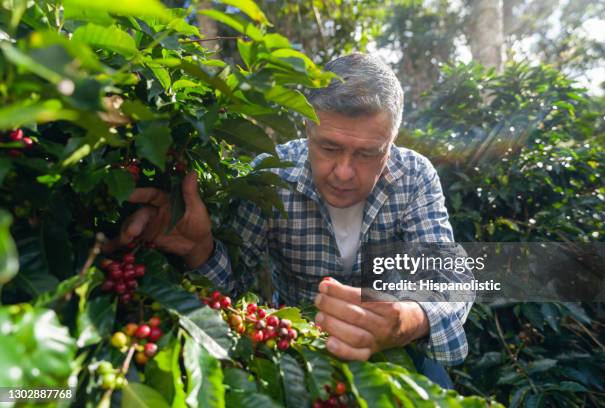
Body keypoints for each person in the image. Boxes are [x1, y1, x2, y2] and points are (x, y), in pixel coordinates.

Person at [109, 53, 472, 388]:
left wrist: (406, 319)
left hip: (397, 349)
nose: (344, 172)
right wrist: (200, 250)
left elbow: (452, 279)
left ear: (390, 143)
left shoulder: (413, 176)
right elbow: (233, 291)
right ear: (307, 129)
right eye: (329, 147)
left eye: (367, 153)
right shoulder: (272, 175)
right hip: (300, 348)